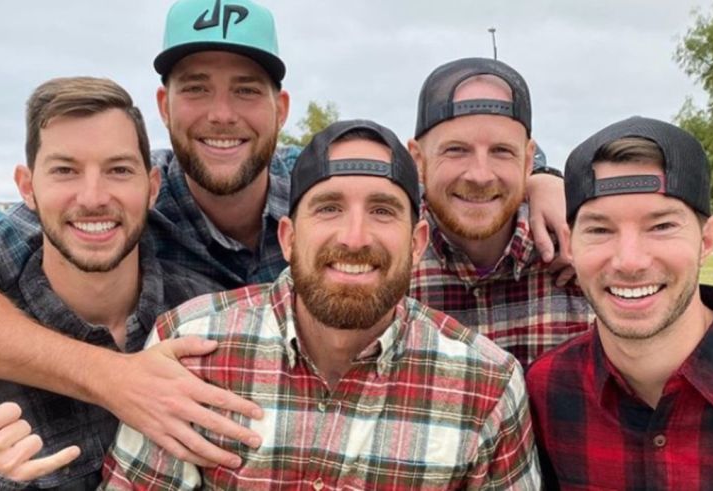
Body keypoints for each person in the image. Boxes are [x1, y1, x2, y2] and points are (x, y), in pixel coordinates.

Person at [0, 0, 565, 468]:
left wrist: (540, 177)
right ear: (165, 105)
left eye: (246, 90)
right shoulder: (118, 201)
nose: (222, 114)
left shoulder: (315, 189)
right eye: (197, 88)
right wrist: (112, 376)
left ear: (280, 110)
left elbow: (437, 171)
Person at [100, 119, 540, 490]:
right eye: (329, 208)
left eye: (383, 211)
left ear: (417, 242)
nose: (354, 237)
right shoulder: (191, 345)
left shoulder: (486, 386)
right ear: (289, 238)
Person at [0, 77, 202, 488]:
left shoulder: (205, 320)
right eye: (65, 171)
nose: (93, 197)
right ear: (27, 188)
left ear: (152, 187)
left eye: (119, 170)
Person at [525, 116, 713, 489]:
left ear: (706, 240)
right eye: (600, 230)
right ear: (571, 243)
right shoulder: (547, 390)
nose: (630, 261)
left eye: (661, 226)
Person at [407, 57, 592, 369]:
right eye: (456, 150)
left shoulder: (579, 259)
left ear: (528, 160)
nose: (480, 175)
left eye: (501, 151)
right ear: (418, 160)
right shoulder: (387, 270)